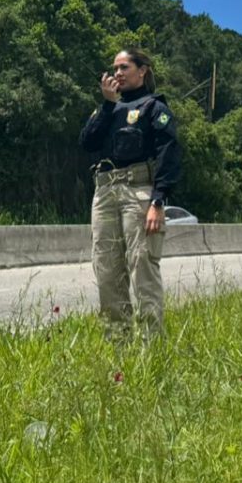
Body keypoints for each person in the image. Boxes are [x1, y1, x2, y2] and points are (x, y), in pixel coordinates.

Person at [79, 48, 180, 340]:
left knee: (142, 266)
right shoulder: (108, 108)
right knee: (107, 269)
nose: (117, 74)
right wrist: (108, 105)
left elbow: (169, 153)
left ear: (142, 70)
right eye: (114, 69)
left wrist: (158, 200)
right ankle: (117, 342)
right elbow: (87, 142)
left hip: (139, 190)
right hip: (105, 190)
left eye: (124, 67)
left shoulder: (154, 107)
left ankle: (151, 345)